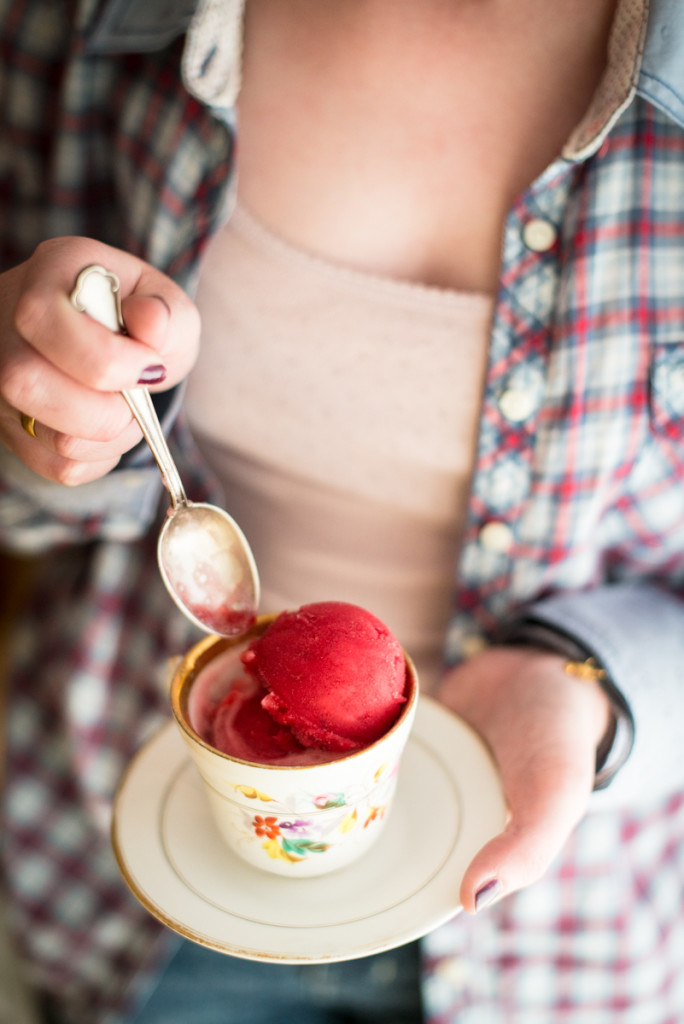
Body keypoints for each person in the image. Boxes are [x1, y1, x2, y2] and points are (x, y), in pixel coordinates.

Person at [1, 0, 683, 1022]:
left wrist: (588, 689)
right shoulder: (99, 21)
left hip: (569, 934)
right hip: (146, 879)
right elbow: (28, 513)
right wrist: (38, 421)